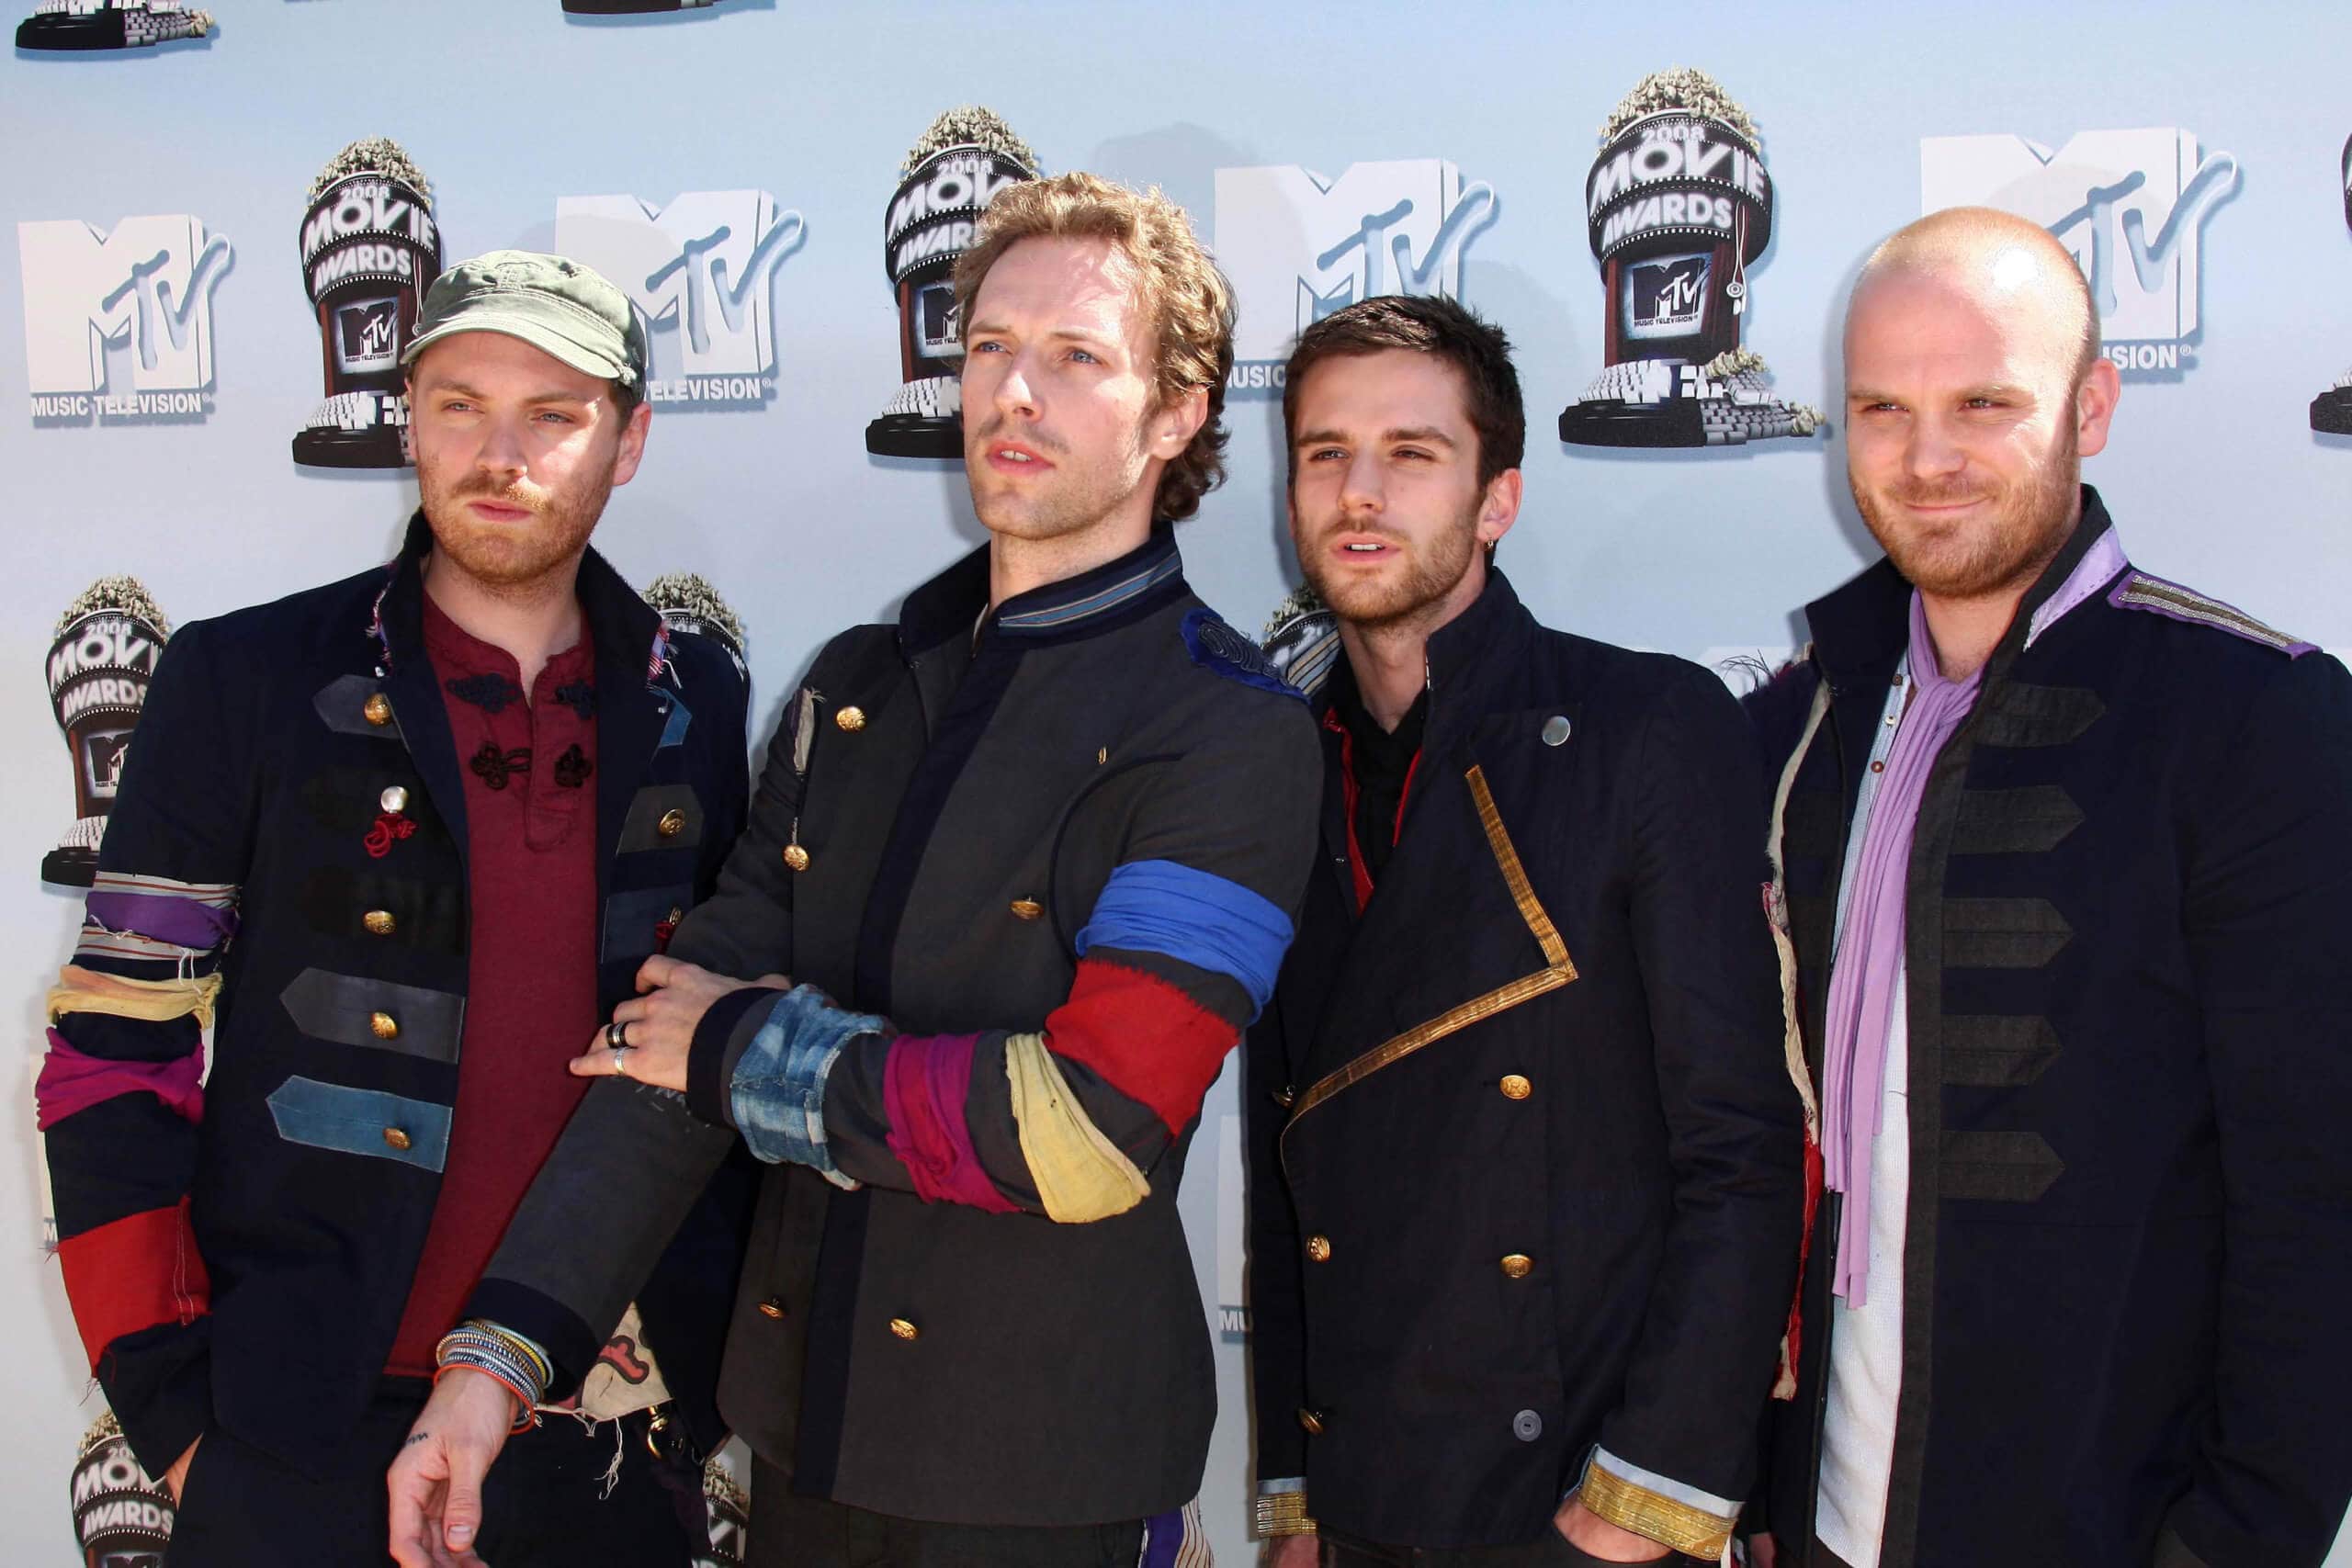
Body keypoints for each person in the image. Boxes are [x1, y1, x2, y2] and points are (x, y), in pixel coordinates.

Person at [390, 173, 1322, 1568]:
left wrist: (743, 1049)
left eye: (1076, 359)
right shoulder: (858, 688)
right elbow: (667, 1045)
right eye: (991, 347)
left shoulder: (1234, 728)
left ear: (1176, 413)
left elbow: (1089, 1128)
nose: (1014, 394)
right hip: (797, 1439)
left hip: (1045, 1482)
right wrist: (501, 1355)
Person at [35, 250, 752, 1563]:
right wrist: (174, 1412)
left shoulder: (697, 696)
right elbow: (110, 1053)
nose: (500, 452)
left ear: (630, 440)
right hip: (301, 1432)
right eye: (460, 403)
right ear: (408, 417)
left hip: (607, 1429)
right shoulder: (239, 678)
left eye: (554, 413)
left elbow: (710, 1056)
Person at [1744, 207, 2352, 1568]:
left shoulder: (2256, 719)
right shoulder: (1805, 725)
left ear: (2093, 404)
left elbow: (2316, 1205)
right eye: (1881, 409)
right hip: (1830, 1521)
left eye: (1984, 403)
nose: (1927, 456)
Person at [1244, 293, 1804, 1566]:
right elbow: (1288, 1176)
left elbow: (1742, 1153)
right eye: (1326, 454)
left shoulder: (1645, 730)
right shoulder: (1274, 764)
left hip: (1582, 1497)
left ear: (1497, 497)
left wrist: (1633, 1507)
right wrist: (1296, 1495)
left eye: (1413, 454)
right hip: (1369, 1507)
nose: (1361, 493)